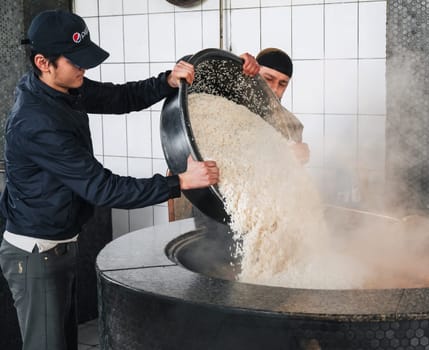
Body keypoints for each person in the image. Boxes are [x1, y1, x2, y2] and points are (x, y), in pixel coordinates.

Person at [0, 9, 259, 350]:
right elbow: (103, 188)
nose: (84, 68)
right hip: (37, 252)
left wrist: (167, 80)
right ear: (43, 62)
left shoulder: (59, 89)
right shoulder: (37, 122)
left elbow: (119, 97)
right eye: (75, 61)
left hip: (58, 244)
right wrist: (179, 182)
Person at [256, 47, 310, 164]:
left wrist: (300, 158)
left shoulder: (292, 125)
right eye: (269, 79)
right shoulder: (230, 105)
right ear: (254, 75)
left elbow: (290, 174)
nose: (275, 89)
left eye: (282, 83)